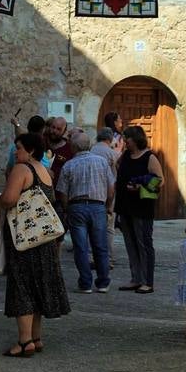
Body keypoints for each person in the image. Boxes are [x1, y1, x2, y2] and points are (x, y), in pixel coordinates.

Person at [0, 132, 70, 356]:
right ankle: (36, 338)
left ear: (29, 150)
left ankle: (24, 341)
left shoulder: (21, 169)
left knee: (22, 287)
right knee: (38, 286)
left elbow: (9, 199)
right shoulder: (45, 171)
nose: (15, 151)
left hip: (24, 240)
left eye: (18, 147)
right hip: (44, 239)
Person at [57, 131, 114, 293]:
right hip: (98, 207)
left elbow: (62, 192)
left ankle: (85, 282)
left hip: (77, 206)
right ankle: (103, 282)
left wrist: (68, 209)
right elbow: (111, 188)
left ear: (73, 147)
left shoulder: (69, 165)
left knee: (81, 247)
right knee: (100, 246)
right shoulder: (102, 162)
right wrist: (108, 206)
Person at [115, 125, 164, 294]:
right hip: (125, 205)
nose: (124, 142)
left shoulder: (149, 157)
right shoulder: (126, 155)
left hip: (142, 207)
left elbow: (159, 180)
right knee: (130, 243)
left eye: (126, 139)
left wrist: (140, 187)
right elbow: (117, 167)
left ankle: (147, 281)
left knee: (144, 243)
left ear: (135, 139)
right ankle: (135, 278)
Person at [91, 128, 118, 266]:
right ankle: (108, 259)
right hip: (108, 194)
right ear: (110, 138)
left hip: (92, 194)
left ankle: (95, 258)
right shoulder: (112, 153)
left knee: (93, 228)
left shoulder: (91, 150)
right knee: (108, 228)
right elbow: (114, 178)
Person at [44, 116, 74, 234]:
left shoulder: (69, 148)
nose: (54, 131)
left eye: (58, 129)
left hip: (59, 198)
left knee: (58, 232)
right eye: (53, 127)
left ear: (64, 131)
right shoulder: (42, 142)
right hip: (41, 196)